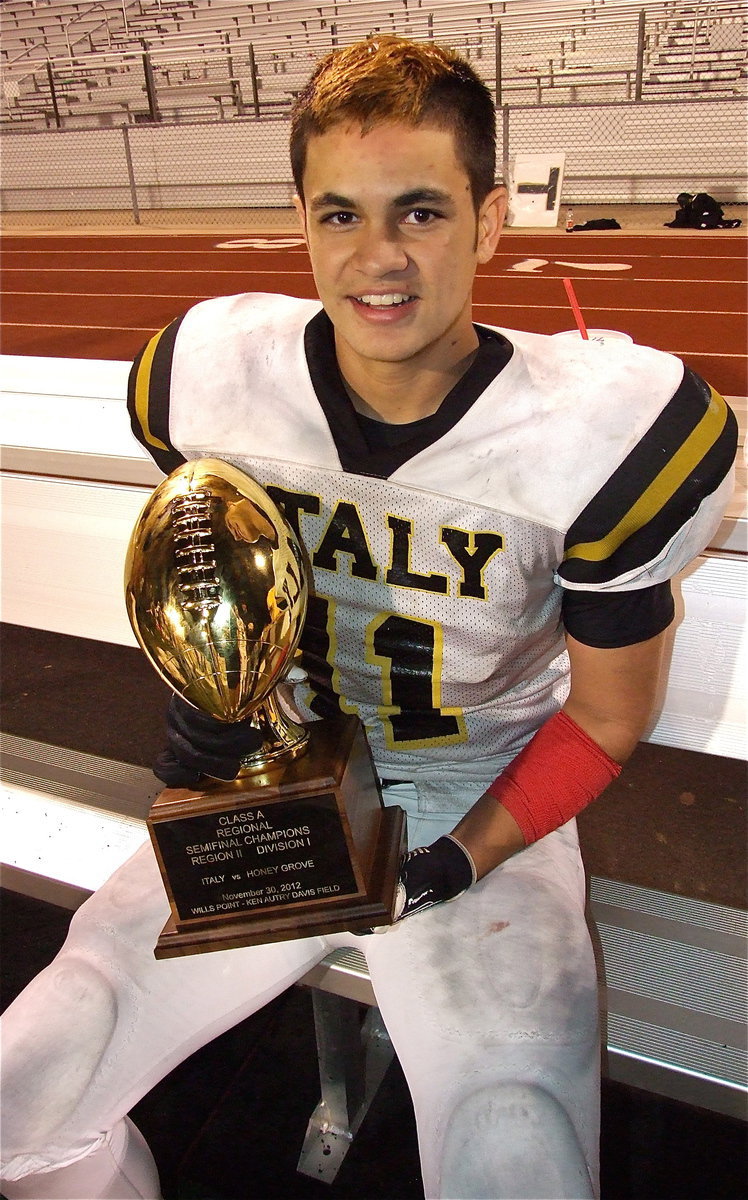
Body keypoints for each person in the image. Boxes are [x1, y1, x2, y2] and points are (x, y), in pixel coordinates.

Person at [1, 35, 737, 1200]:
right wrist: (212, 714)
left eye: (422, 213)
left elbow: (602, 718)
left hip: (479, 791)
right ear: (299, 217)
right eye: (339, 214)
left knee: (518, 1147)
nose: (377, 258)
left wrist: (458, 863)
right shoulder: (207, 376)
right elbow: (214, 581)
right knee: (23, 1093)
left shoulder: (603, 431)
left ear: (491, 222)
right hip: (281, 781)